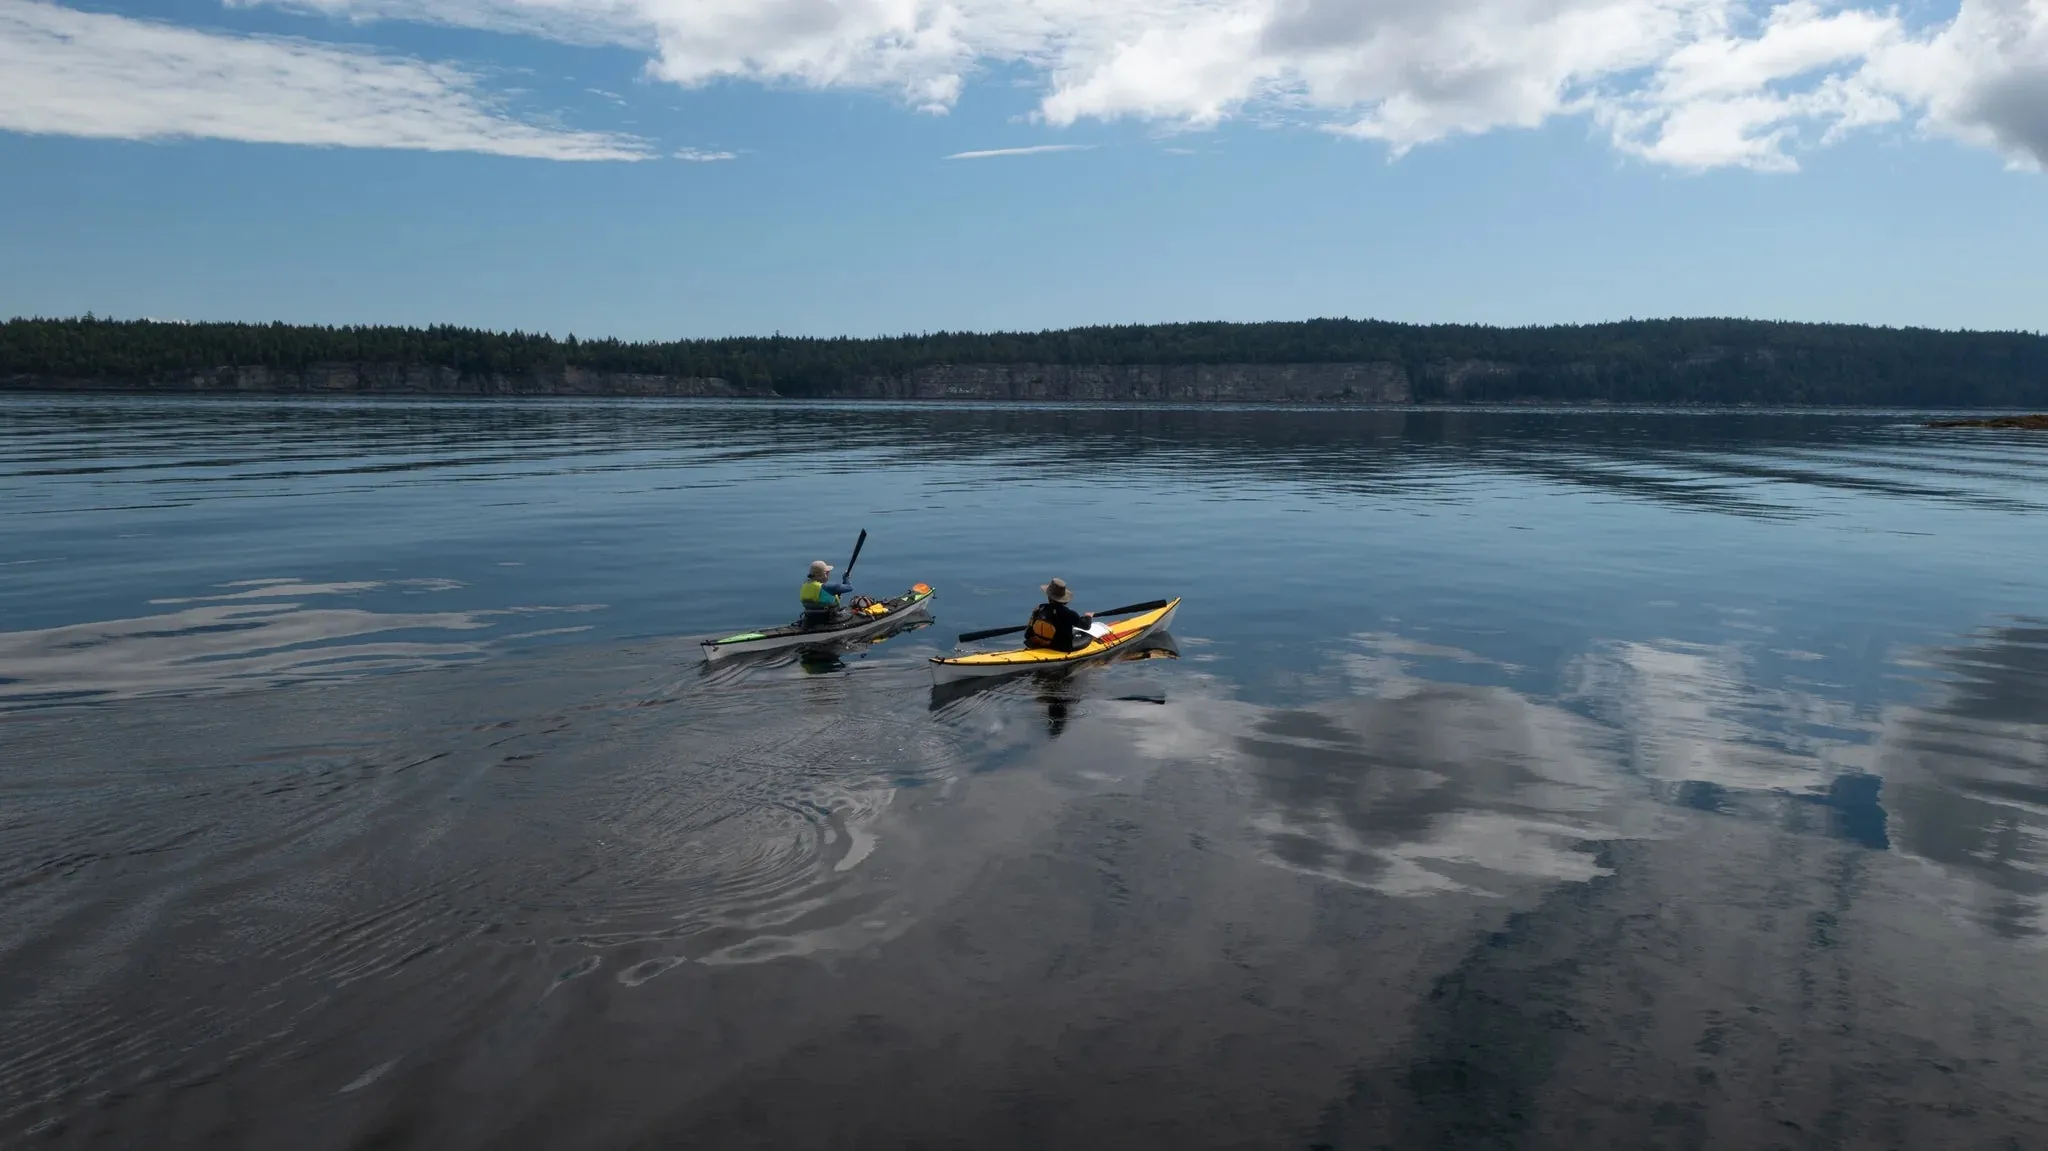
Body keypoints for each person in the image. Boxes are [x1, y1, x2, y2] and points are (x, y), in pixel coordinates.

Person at [1024, 578, 1100, 651]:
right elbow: (1086, 626)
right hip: (1061, 648)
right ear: (1064, 599)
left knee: (1073, 631)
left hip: (1042, 644)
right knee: (1088, 635)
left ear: (1048, 596)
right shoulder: (1069, 614)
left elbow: (1027, 635)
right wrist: (1088, 617)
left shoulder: (1039, 609)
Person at [799, 559, 855, 627]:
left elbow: (820, 598)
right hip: (827, 618)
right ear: (824, 574)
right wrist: (846, 578)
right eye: (828, 572)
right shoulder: (828, 587)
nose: (829, 574)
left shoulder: (805, 585)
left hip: (810, 617)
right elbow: (849, 587)